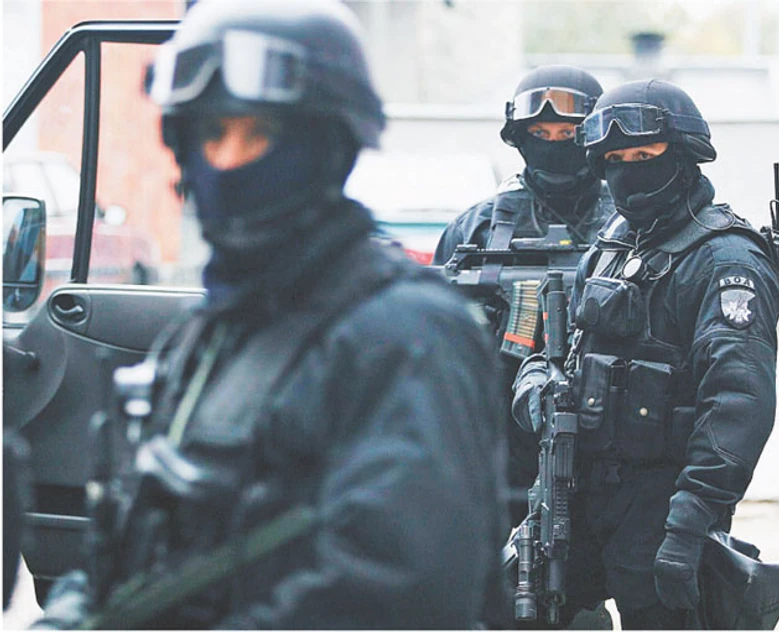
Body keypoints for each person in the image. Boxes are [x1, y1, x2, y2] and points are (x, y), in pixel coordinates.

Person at [32, 1, 507, 629]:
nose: (228, 161)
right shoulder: (208, 333)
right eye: (212, 135)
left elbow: (395, 593)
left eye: (257, 134)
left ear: (326, 148)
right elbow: (120, 554)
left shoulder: (406, 334)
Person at [511, 78, 779, 629]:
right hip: (579, 500)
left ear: (682, 155)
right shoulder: (610, 248)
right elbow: (546, 355)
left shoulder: (724, 259)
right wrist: (536, 390)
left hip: (667, 509)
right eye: (614, 160)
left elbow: (738, 406)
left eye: (644, 155)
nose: (628, 171)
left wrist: (691, 522)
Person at [433, 65, 613, 528]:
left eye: (567, 133)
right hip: (499, 434)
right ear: (520, 136)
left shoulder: (628, 220)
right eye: (541, 133)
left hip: (608, 427)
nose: (554, 144)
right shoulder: (477, 228)